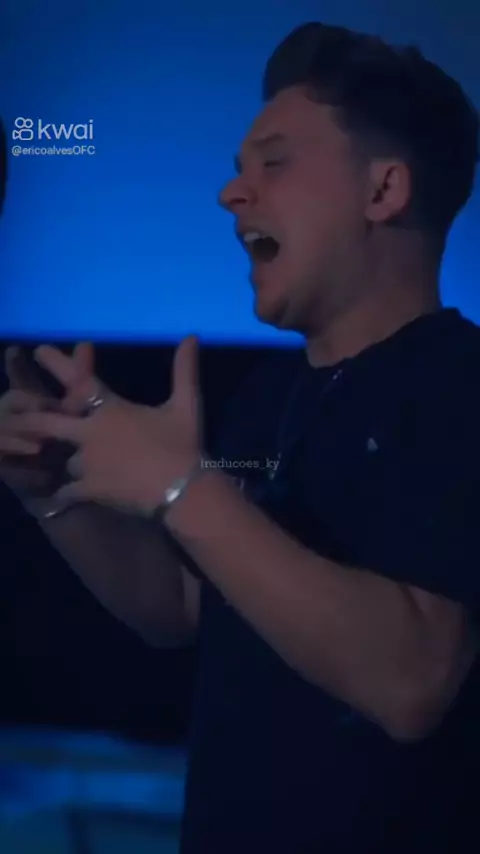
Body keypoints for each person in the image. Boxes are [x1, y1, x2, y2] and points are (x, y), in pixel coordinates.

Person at [1, 21, 480, 853]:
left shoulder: (458, 383)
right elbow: (183, 609)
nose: (231, 193)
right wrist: (55, 493)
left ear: (383, 190)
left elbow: (412, 681)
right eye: (237, 168)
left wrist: (180, 488)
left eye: (273, 163)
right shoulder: (267, 399)